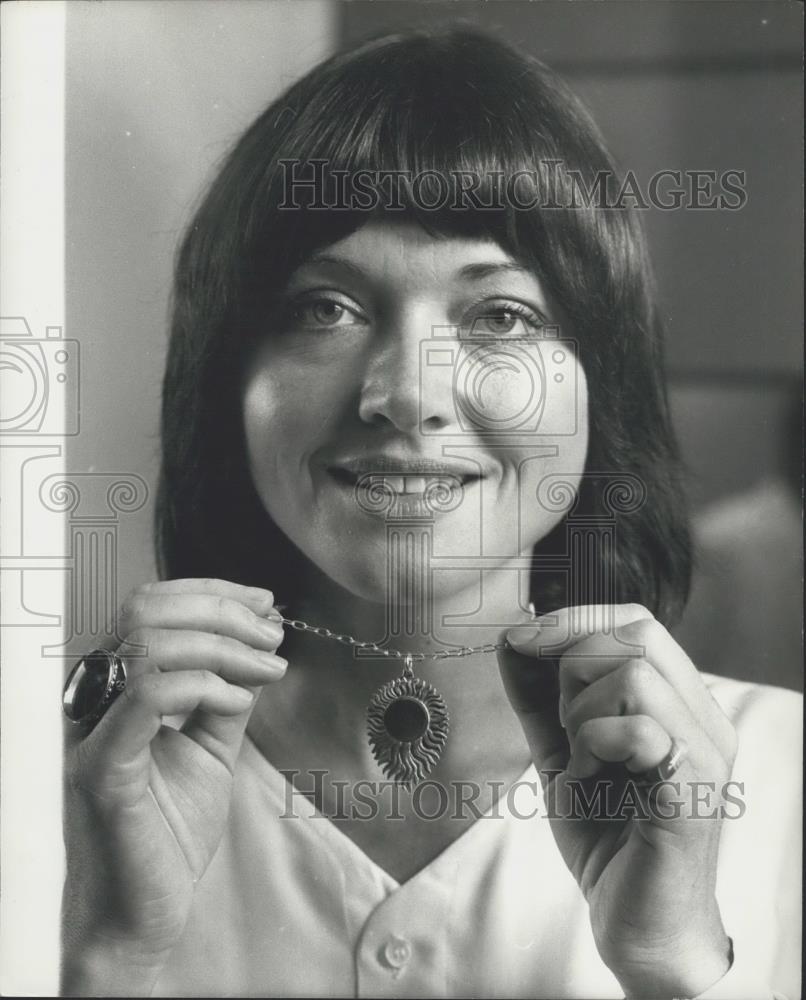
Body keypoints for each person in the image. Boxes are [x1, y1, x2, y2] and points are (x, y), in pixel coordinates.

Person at [60, 28, 801, 998]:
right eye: (324, 307)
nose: (407, 392)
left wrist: (671, 967)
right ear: (223, 381)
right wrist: (112, 955)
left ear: (599, 387)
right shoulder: (70, 781)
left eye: (499, 315)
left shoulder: (781, 779)